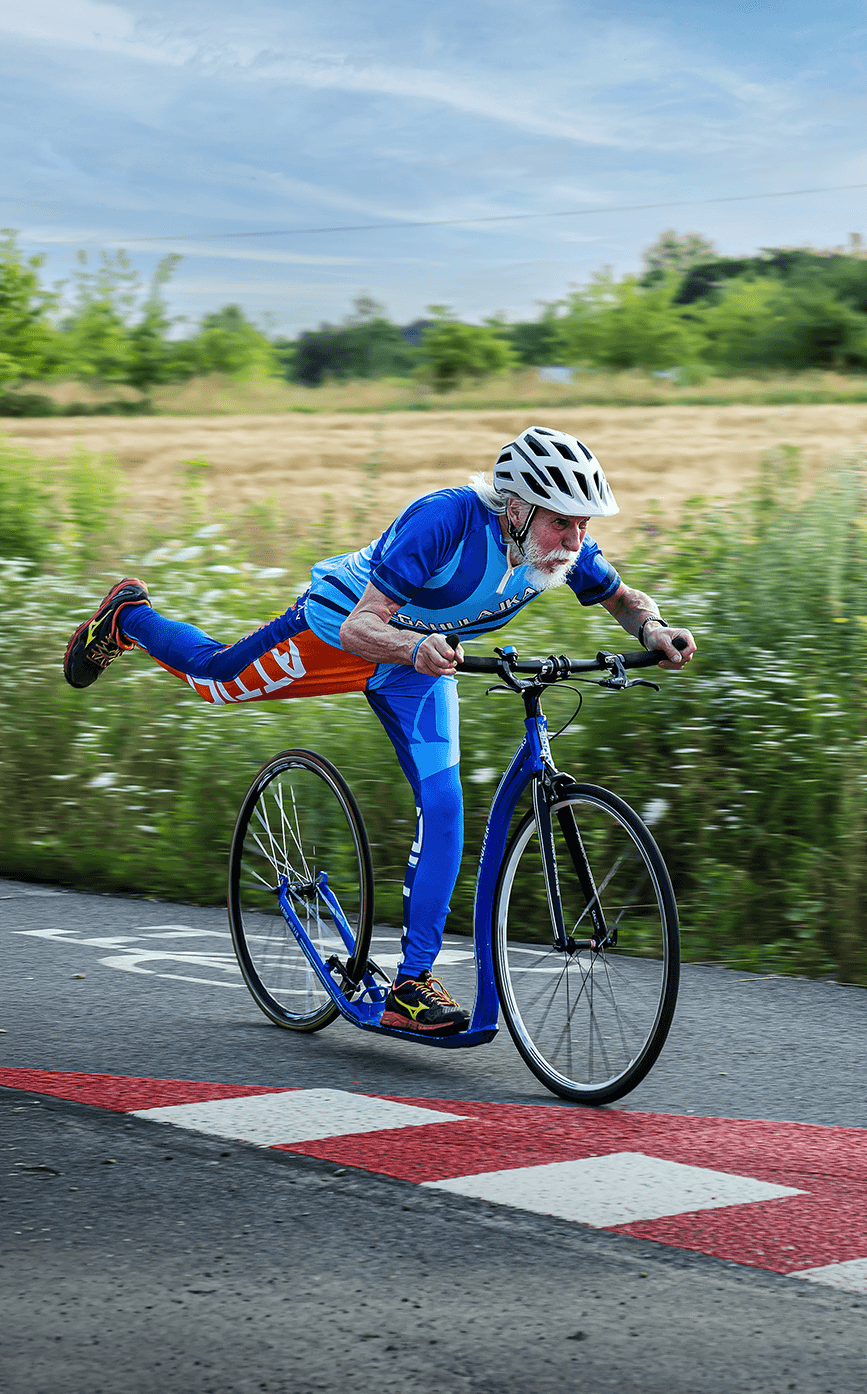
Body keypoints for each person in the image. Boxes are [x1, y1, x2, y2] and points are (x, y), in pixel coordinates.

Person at [62, 426, 696, 1036]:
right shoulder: (443, 521)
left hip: (418, 663)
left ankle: (412, 986)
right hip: (338, 631)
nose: (575, 538)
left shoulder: (559, 549)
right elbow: (364, 625)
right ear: (518, 509)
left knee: (446, 805)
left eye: (584, 523)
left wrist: (653, 631)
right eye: (562, 521)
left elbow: (622, 597)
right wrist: (414, 648)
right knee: (216, 679)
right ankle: (127, 616)